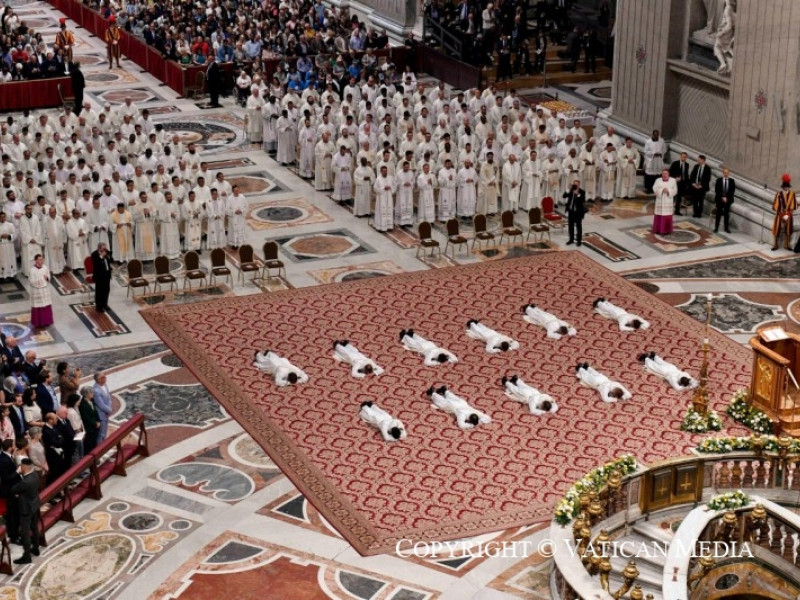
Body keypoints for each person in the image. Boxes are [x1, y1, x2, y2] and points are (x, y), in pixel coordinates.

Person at [11, 458, 40, 565]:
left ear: (23, 467)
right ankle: (36, 548)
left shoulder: (25, 482)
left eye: (21, 466)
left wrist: (17, 474)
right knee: (34, 528)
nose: (20, 467)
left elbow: (14, 489)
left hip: (26, 509)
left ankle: (27, 556)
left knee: (25, 532)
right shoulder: (35, 475)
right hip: (34, 505)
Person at [426, 385, 491, 429]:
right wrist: (472, 425)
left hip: (461, 403)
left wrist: (479, 421)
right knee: (442, 402)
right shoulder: (462, 415)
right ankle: (432, 393)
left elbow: (486, 417)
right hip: (453, 407)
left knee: (452, 397)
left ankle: (445, 391)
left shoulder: (474, 412)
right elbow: (461, 425)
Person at [772, 174, 796, 251]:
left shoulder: (792, 194)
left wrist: (788, 215)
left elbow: (793, 206)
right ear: (783, 187)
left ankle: (787, 245)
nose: (786, 188)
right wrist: (782, 215)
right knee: (777, 229)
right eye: (785, 186)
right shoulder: (779, 194)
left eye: (787, 186)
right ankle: (775, 244)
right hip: (780, 215)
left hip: (789, 215)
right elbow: (776, 206)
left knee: (789, 230)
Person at [28, 255, 53, 329]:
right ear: (36, 261)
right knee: (37, 307)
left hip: (44, 290)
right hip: (37, 291)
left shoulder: (45, 268)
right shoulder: (32, 270)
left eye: (42, 259)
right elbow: (31, 281)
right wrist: (40, 280)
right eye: (39, 259)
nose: (41, 261)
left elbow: (49, 277)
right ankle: (38, 323)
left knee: (46, 306)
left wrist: (47, 278)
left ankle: (46, 321)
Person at [652, 169, 677, 234]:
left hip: (668, 201)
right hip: (660, 200)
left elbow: (675, 190)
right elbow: (654, 188)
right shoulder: (657, 180)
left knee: (667, 215)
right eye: (663, 173)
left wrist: (668, 191)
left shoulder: (673, 180)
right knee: (659, 214)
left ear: (668, 174)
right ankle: (658, 229)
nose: (664, 175)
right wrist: (662, 190)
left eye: (666, 173)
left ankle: (667, 230)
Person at [562, 178, 586, 246]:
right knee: (571, 226)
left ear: (579, 185)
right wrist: (568, 189)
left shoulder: (582, 192)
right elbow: (564, 196)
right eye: (574, 184)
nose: (575, 186)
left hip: (578, 212)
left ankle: (579, 241)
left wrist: (578, 194)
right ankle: (571, 240)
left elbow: (583, 200)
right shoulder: (571, 190)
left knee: (578, 226)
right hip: (571, 211)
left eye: (576, 185)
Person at [91, 243, 113, 313]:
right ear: (99, 248)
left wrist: (108, 255)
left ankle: (105, 304)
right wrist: (101, 256)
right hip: (99, 276)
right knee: (99, 292)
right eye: (103, 249)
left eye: (105, 248)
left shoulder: (106, 253)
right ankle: (99, 307)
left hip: (107, 275)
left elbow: (111, 260)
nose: (105, 250)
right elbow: (96, 263)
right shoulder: (94, 254)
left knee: (106, 290)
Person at [92, 372, 112, 444]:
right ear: (99, 379)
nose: (106, 378)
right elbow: (101, 404)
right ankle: (100, 448)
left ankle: (104, 446)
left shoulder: (105, 385)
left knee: (105, 433)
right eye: (104, 377)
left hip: (106, 412)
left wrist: (109, 407)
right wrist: (109, 410)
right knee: (101, 434)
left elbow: (108, 398)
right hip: (101, 414)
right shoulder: (96, 390)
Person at [714, 166, 735, 233]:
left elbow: (732, 191)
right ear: (723, 173)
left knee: (726, 214)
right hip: (719, 199)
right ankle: (716, 227)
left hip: (728, 200)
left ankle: (726, 228)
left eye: (727, 172)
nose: (726, 174)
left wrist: (726, 198)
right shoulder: (719, 180)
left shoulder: (732, 181)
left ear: (729, 173)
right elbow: (716, 190)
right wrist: (722, 197)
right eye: (725, 172)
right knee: (718, 213)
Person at [0, 212, 15, 280]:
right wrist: (1, 236)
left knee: (10, 259)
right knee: (2, 260)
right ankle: (2, 275)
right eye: (1, 217)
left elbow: (15, 234)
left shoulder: (10, 225)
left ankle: (11, 274)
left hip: (9, 245)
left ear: (5, 217)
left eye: (3, 217)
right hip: (1, 246)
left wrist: (9, 236)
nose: (2, 218)